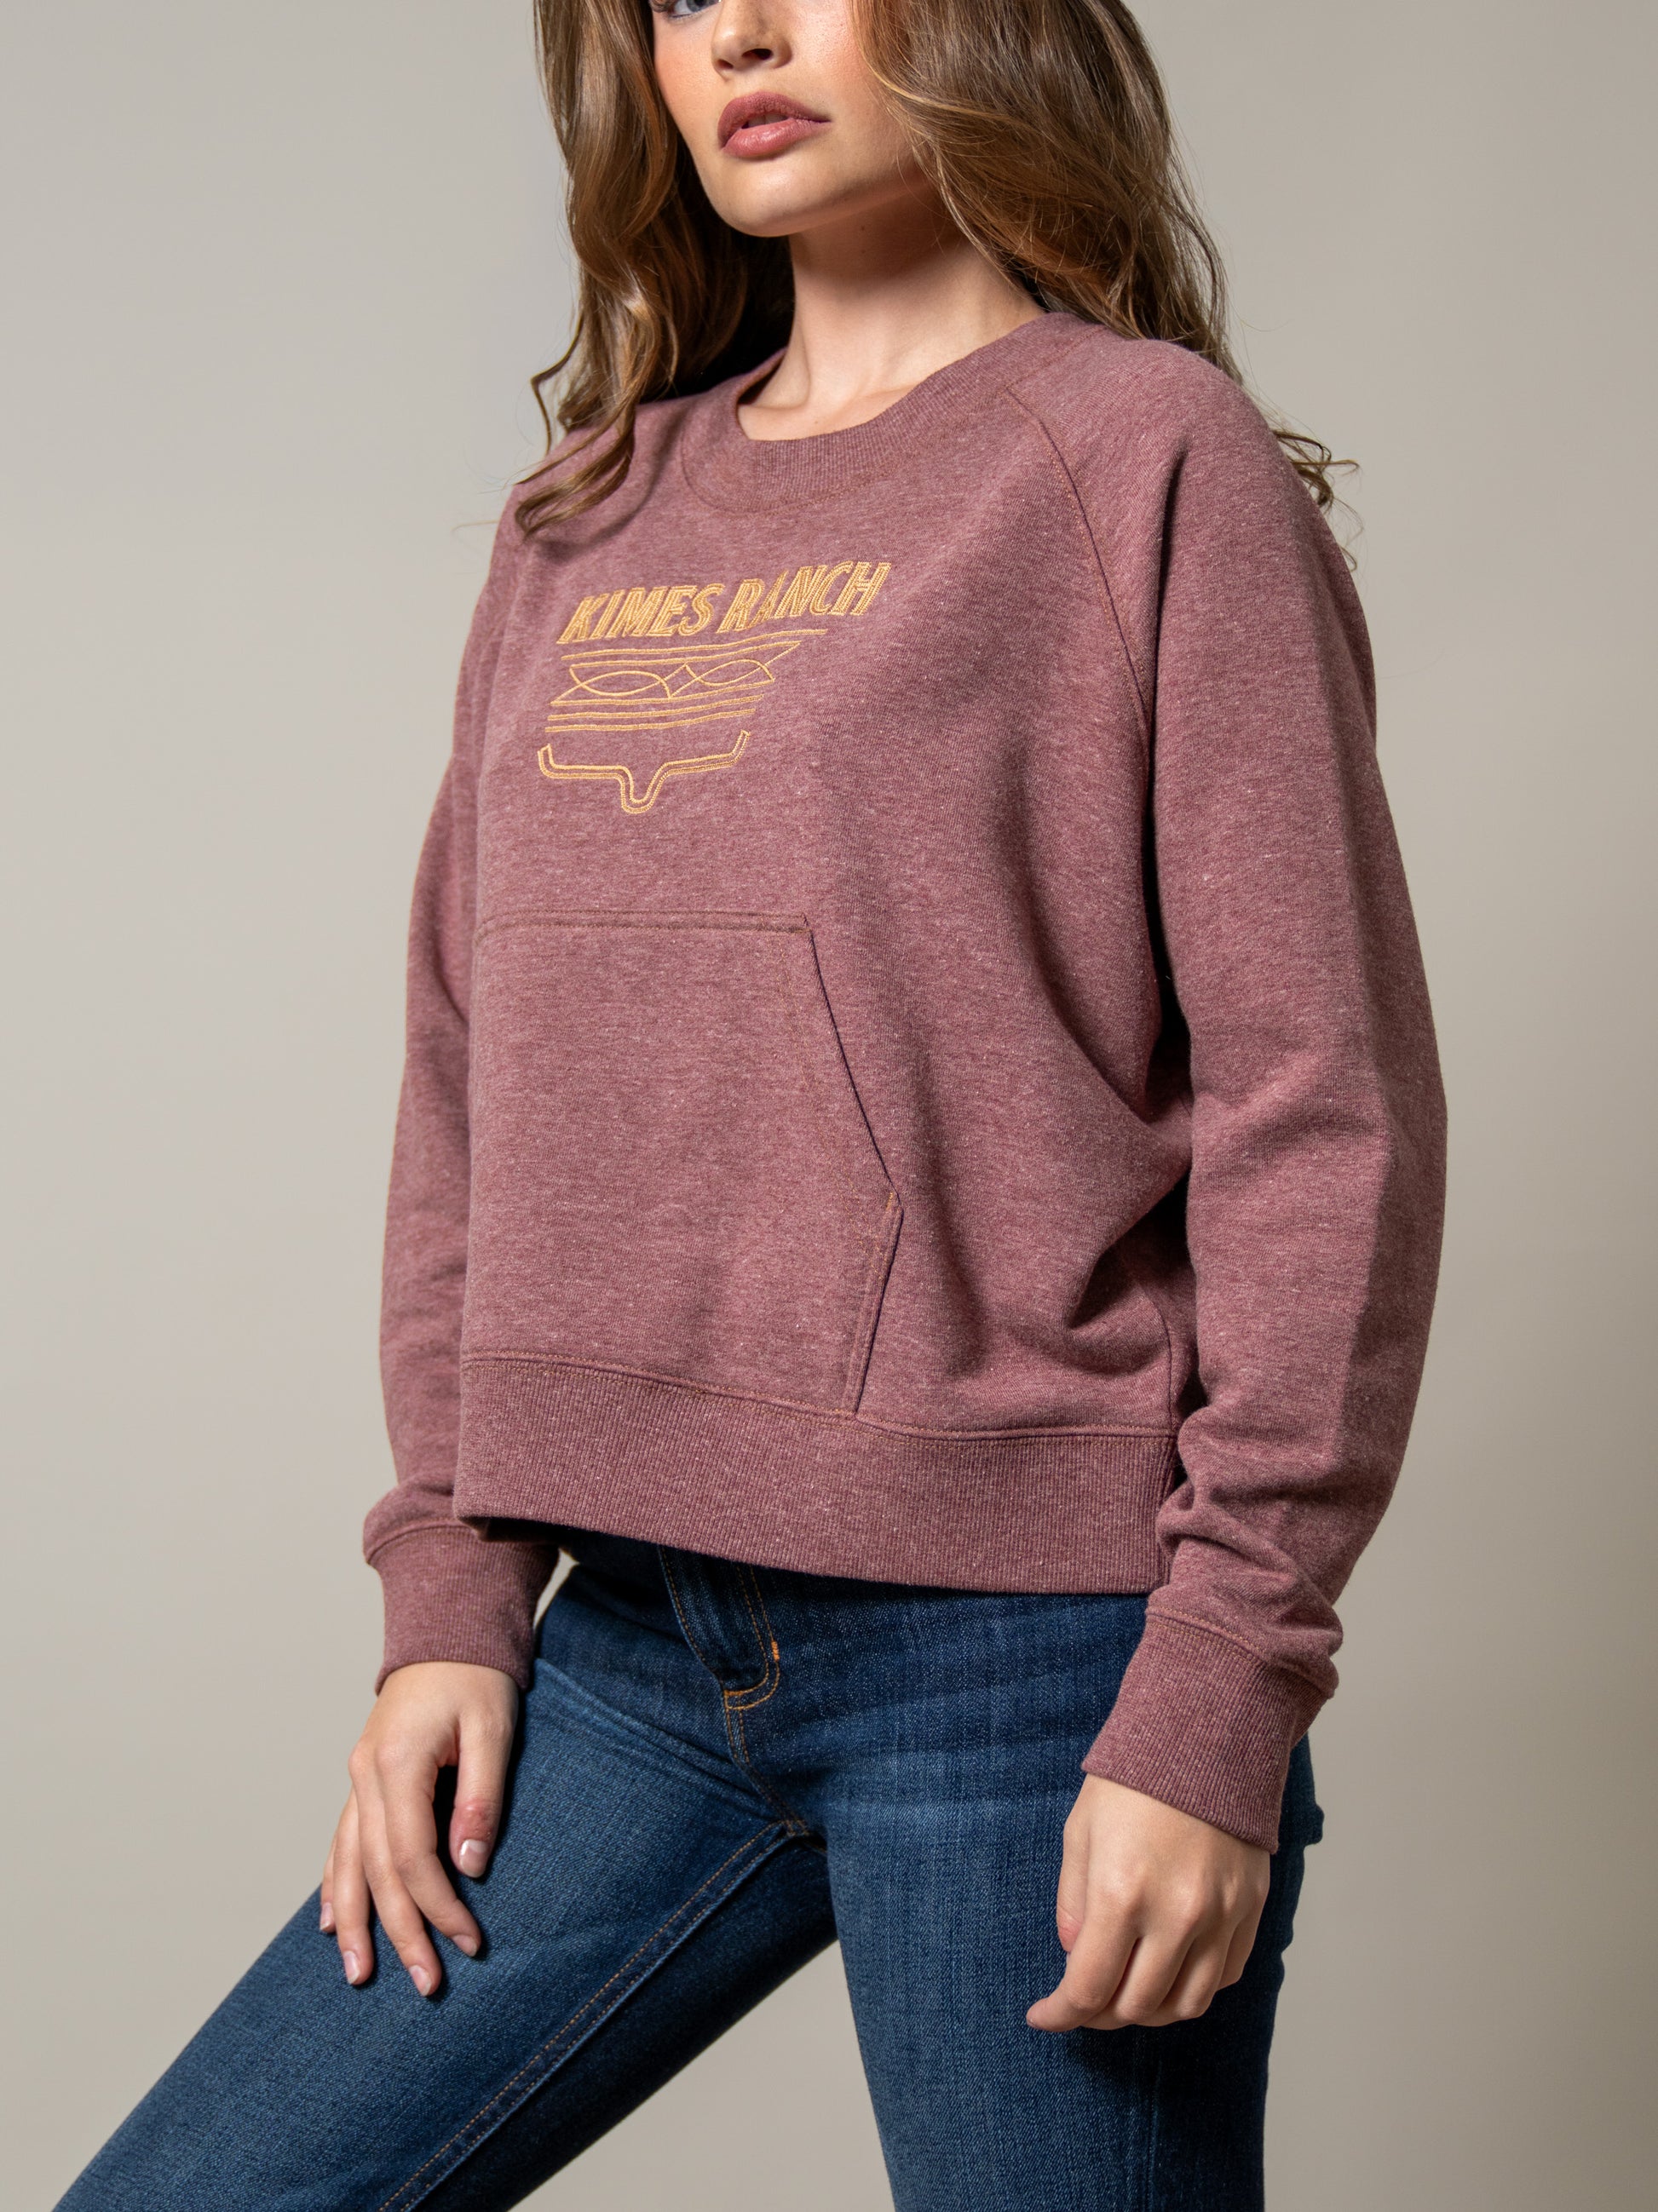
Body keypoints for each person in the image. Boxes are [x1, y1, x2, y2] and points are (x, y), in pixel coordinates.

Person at [59, 0, 1446, 2205]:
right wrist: (452, 1585)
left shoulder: (1139, 457)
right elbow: (472, 1074)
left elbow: (1314, 1100)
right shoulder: (588, 517)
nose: (745, 34)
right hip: (628, 1637)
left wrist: (1223, 1681)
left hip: (1033, 1653)